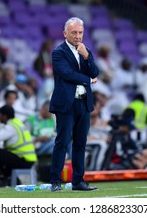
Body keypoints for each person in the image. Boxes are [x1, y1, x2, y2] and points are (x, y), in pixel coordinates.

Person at [49, 17, 99, 192]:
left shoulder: (86, 51)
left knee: (80, 143)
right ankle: (55, 181)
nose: (78, 36)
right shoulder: (58, 52)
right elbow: (67, 73)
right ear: (65, 33)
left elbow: (95, 71)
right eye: (74, 33)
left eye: (80, 33)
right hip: (66, 104)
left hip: (83, 103)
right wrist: (88, 80)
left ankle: (78, 181)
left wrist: (86, 57)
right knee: (62, 142)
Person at [0, 105, 37, 187]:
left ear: (4, 116)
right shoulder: (18, 123)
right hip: (28, 160)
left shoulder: (11, 127)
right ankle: (12, 180)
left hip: (23, 160)